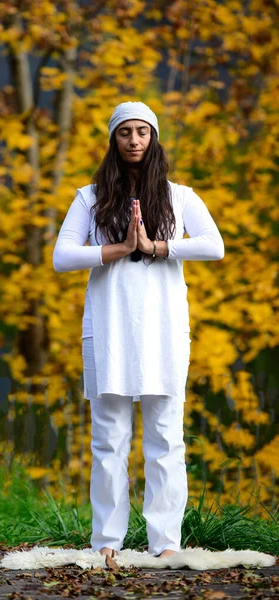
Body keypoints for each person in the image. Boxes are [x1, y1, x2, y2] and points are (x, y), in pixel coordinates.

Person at [52, 101, 224, 560]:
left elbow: (215, 246)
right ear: (114, 139)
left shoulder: (180, 196)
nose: (133, 140)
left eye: (142, 132)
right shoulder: (89, 198)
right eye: (125, 131)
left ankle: (165, 545)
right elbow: (62, 256)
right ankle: (106, 544)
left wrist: (157, 246)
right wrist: (118, 249)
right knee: (109, 439)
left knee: (166, 438)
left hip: (164, 331)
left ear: (154, 138)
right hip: (108, 331)